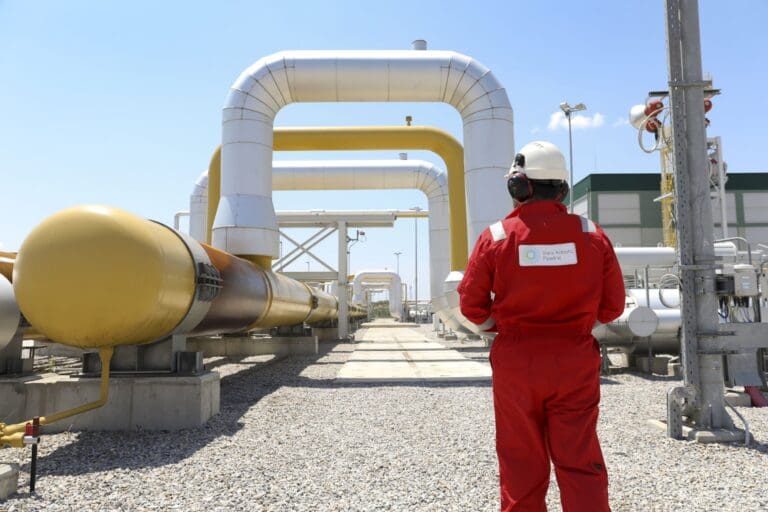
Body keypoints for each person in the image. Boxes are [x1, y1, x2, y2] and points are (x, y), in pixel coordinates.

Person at [458, 141, 625, 511]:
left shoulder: (497, 236)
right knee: (580, 460)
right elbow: (613, 307)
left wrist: (496, 329)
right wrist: (576, 325)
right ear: (563, 189)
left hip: (517, 362)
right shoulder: (592, 235)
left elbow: (471, 305)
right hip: (575, 360)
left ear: (519, 187)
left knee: (521, 459)